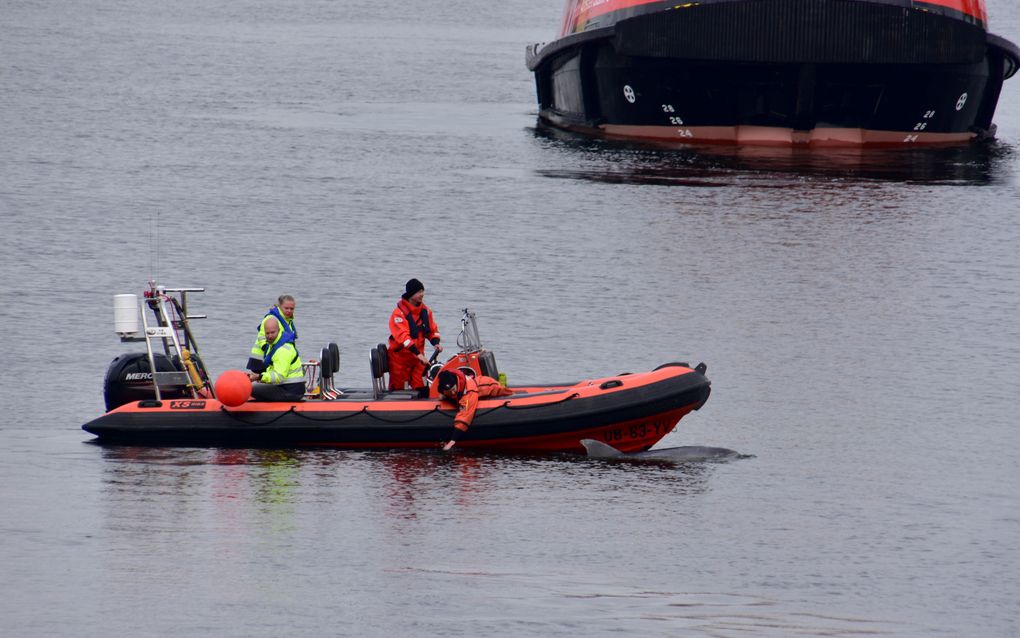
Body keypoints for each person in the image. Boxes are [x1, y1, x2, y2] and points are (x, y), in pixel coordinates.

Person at [387, 278, 442, 391]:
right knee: (399, 391)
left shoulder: (425, 311)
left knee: (421, 386)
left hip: (418, 359)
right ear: (411, 294)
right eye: (419, 292)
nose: (422, 294)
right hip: (401, 360)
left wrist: (436, 343)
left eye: (422, 291)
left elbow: (432, 330)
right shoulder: (398, 314)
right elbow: (403, 338)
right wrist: (418, 354)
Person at [437, 369, 513, 450]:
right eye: (449, 391)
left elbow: (465, 417)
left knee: (508, 392)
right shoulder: (447, 386)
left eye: (453, 389)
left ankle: (503, 385)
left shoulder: (469, 392)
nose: (452, 393)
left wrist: (452, 442)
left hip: (491, 386)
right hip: (478, 382)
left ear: (456, 383)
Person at [246, 316, 305, 401]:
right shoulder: (273, 344)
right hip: (287, 386)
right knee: (257, 387)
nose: (270, 336)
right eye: (267, 333)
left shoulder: (283, 350)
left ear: (279, 330)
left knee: (251, 388)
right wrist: (256, 377)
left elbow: (279, 376)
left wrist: (259, 377)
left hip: (291, 390)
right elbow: (274, 369)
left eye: (272, 332)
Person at [247, 295, 297, 373]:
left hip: (275, 356)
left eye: (291, 309)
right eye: (286, 308)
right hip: (260, 358)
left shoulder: (288, 321)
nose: (289, 311)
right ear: (280, 306)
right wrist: (266, 348)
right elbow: (261, 335)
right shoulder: (271, 318)